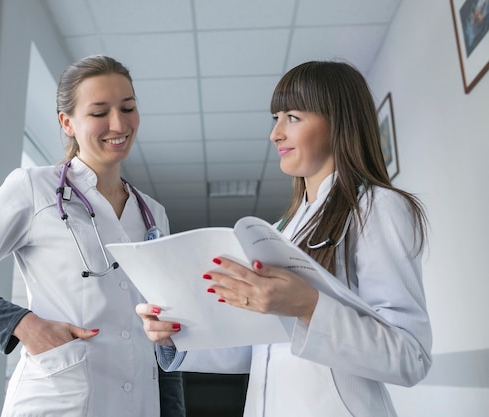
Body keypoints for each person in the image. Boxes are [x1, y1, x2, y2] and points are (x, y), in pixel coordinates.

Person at [136, 61, 432, 417]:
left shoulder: (377, 207)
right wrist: (176, 335)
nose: (275, 134)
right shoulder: (282, 229)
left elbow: (410, 357)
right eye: (275, 118)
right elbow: (266, 346)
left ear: (339, 121)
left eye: (292, 117)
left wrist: (308, 306)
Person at [0, 55, 185, 417]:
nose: (118, 123)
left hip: (140, 404)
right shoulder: (34, 188)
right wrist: (24, 325)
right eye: (99, 112)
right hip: (60, 401)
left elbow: (160, 332)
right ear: (67, 122)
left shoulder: (153, 213)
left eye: (128, 107)